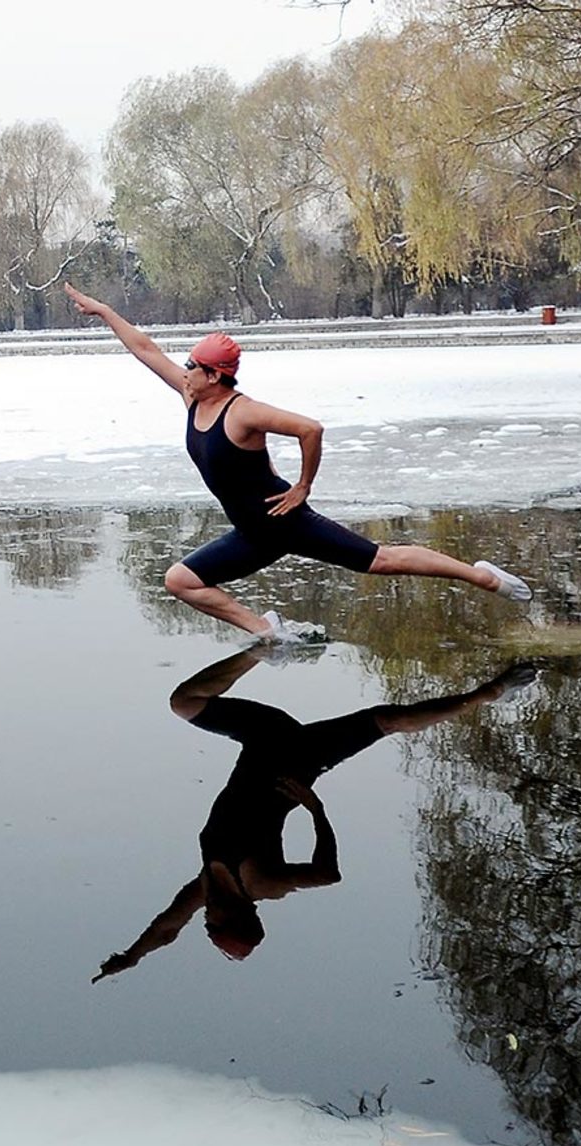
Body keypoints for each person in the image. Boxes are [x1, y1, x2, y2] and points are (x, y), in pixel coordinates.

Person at [64, 283, 532, 638]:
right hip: (251, 534)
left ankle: (483, 576)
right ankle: (267, 631)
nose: (183, 371)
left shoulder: (244, 412)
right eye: (186, 365)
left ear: (215, 375)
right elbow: (146, 350)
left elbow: (311, 429)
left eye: (192, 367)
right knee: (180, 581)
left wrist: (303, 487)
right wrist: (104, 311)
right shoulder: (192, 398)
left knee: (383, 560)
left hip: (286, 522)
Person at [92, 650, 536, 979]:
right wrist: (315, 810)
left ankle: (266, 645)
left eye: (207, 923)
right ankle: (493, 691)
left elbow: (167, 927)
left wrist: (132, 956)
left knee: (184, 701)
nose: (206, 918)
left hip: (264, 739)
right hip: (300, 760)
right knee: (388, 720)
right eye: (213, 924)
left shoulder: (206, 887)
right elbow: (327, 875)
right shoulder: (264, 884)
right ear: (237, 916)